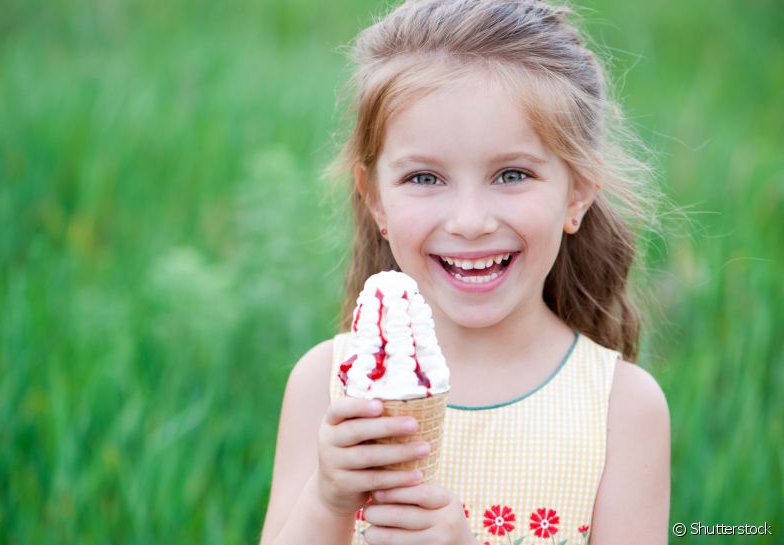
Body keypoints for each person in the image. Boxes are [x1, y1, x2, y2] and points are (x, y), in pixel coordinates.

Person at [260, 0, 670, 543]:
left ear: (578, 193)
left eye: (512, 174)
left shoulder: (622, 407)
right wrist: (327, 500)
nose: (470, 222)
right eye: (425, 178)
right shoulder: (328, 386)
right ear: (376, 201)